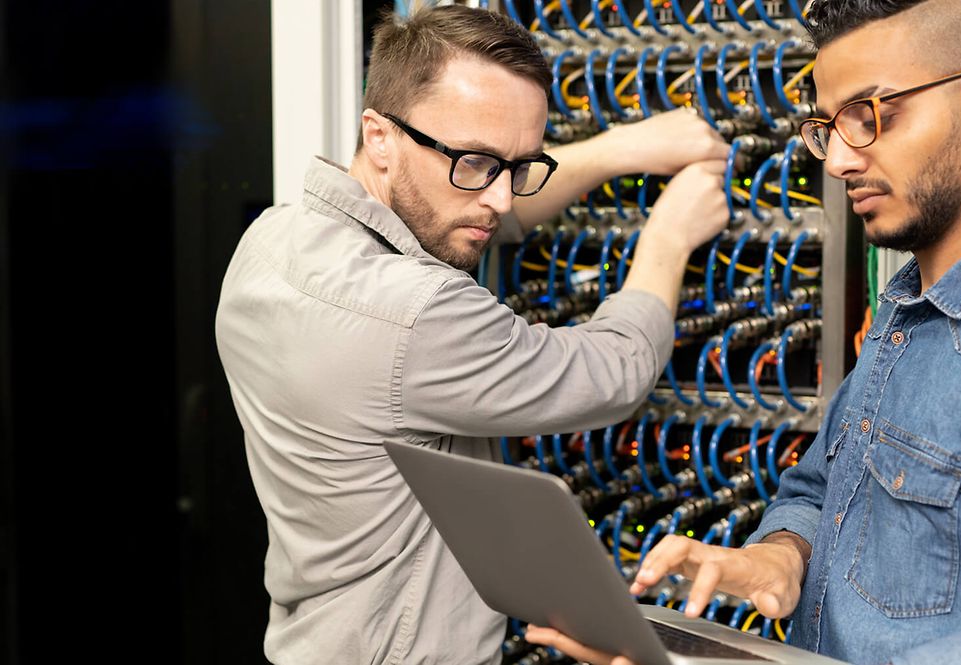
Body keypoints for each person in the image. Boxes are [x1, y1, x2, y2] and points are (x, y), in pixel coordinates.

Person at [524, 1, 961, 663]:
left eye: (871, 116)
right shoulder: (908, 309)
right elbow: (817, 490)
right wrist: (781, 555)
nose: (837, 159)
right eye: (825, 127)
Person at [214, 5, 729, 664]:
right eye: (477, 162)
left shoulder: (272, 240)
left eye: (519, 167)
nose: (503, 199)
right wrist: (670, 235)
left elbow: (461, 217)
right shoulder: (413, 312)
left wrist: (619, 150)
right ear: (379, 138)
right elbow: (613, 369)